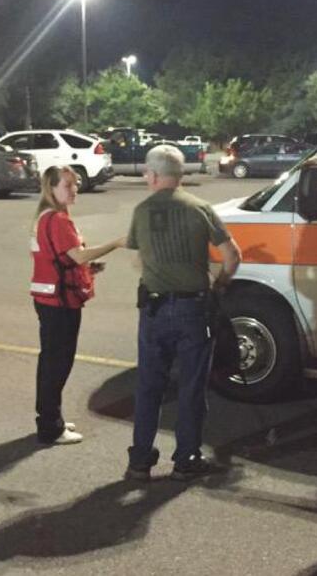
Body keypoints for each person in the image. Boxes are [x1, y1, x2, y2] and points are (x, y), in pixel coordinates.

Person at [125, 145, 241, 481]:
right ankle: (186, 457)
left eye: (148, 173)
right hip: (194, 309)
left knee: (148, 386)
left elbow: (137, 259)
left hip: (154, 309)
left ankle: (140, 460)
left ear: (156, 175)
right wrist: (219, 286)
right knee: (191, 385)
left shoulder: (142, 210)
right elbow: (232, 256)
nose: (147, 178)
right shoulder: (201, 208)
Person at [29, 165, 125, 445]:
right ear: (52, 188)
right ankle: (50, 427)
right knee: (57, 364)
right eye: (67, 185)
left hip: (50, 298)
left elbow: (62, 259)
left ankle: (50, 418)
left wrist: (85, 270)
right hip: (59, 303)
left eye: (75, 184)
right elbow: (77, 255)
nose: (74, 190)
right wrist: (116, 243)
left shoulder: (46, 218)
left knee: (51, 362)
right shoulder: (58, 220)